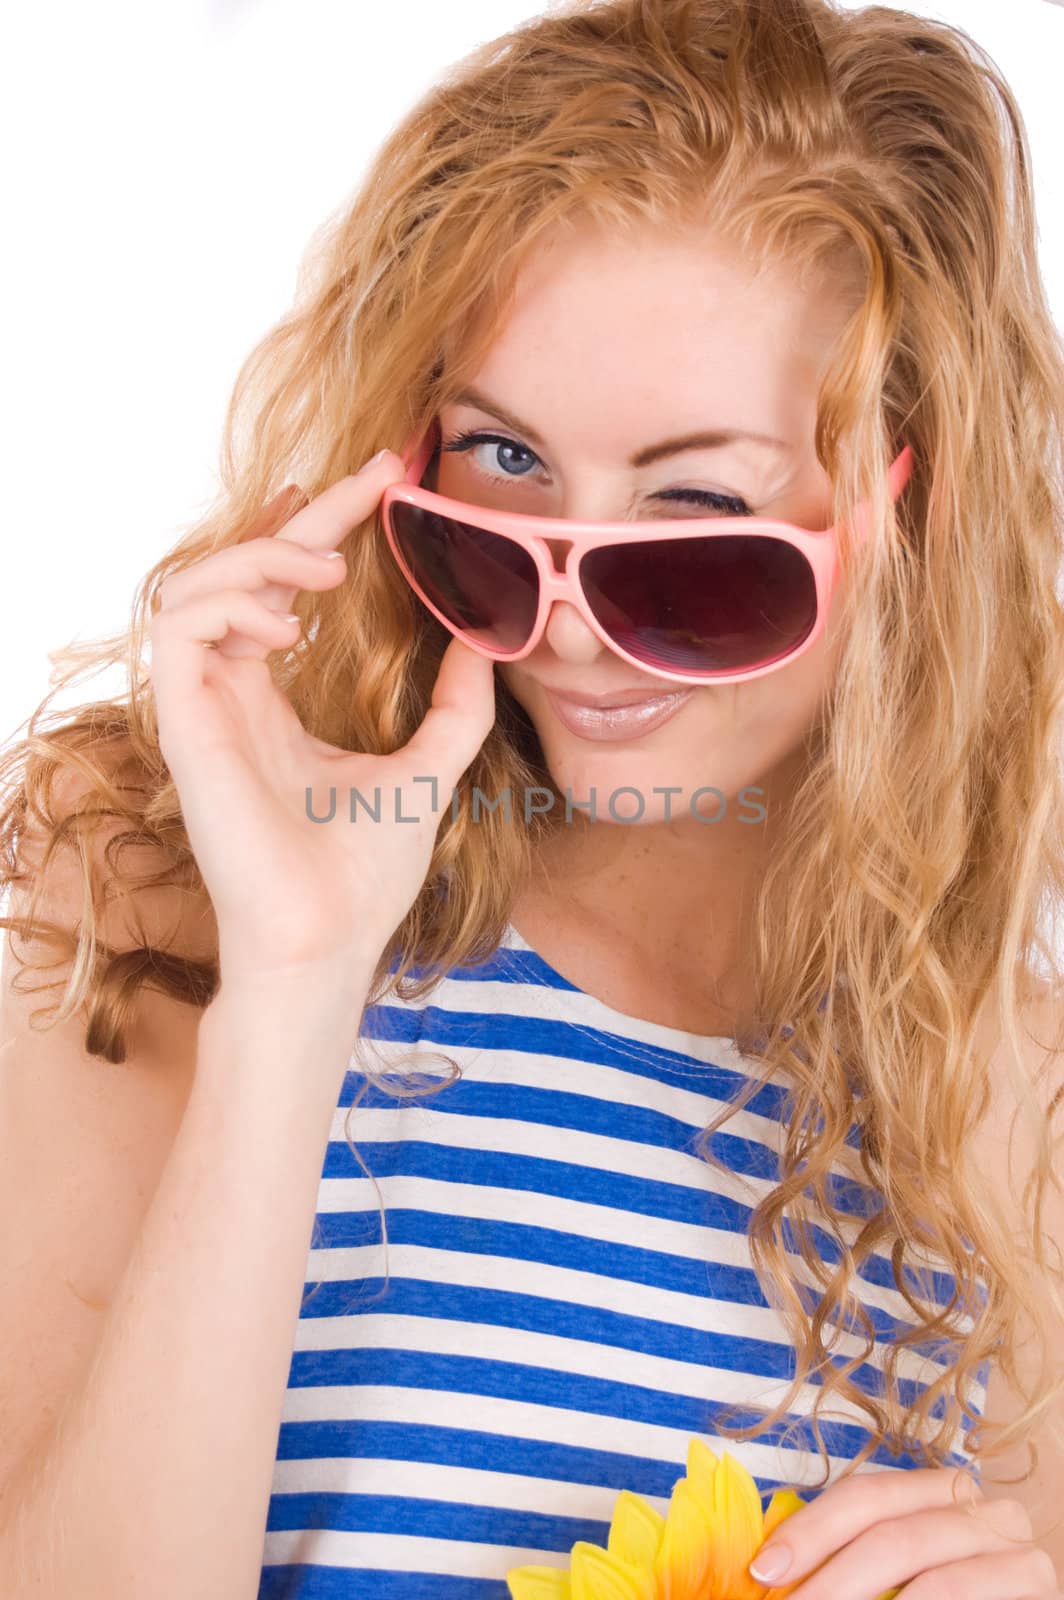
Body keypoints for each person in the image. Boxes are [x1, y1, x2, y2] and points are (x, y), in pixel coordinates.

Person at [1, 0, 1063, 1595]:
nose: (561, 616)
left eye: (696, 511)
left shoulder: (1007, 1095)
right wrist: (294, 987)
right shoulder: (157, 900)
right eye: (500, 469)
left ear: (914, 507)